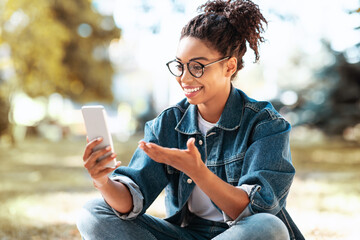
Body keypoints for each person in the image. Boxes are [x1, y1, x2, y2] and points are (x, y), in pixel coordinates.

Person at [76, 0, 305, 239]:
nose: (185, 78)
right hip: (186, 234)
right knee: (93, 212)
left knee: (269, 227)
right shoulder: (167, 124)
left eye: (197, 67)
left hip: (239, 234)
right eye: (180, 66)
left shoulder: (266, 125)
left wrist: (197, 171)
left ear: (229, 67)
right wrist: (103, 181)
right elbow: (129, 202)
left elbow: (255, 210)